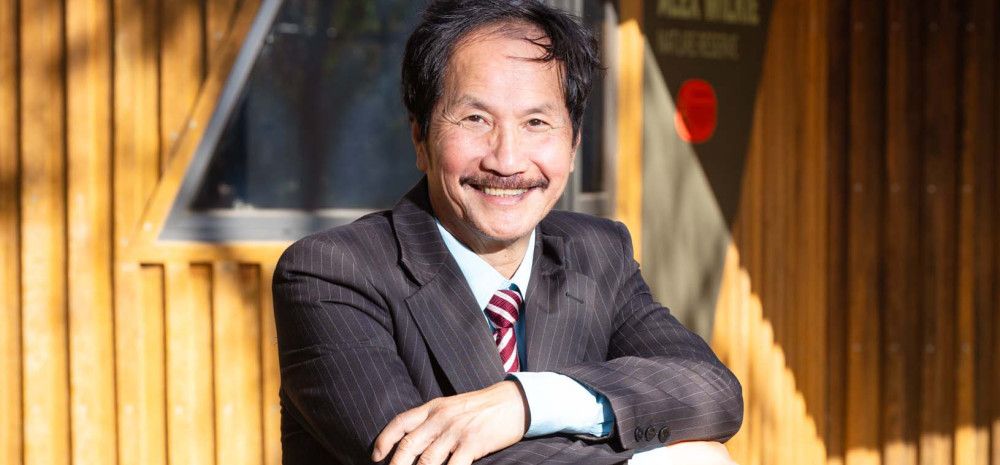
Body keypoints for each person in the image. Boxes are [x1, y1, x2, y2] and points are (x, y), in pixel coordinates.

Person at [272, 1, 743, 464]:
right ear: (420, 137)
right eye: (476, 119)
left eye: (536, 122)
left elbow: (712, 392)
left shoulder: (597, 254)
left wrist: (527, 403)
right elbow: (416, 455)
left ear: (574, 144)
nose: (507, 161)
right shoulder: (332, 272)